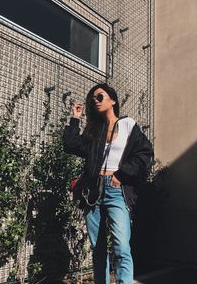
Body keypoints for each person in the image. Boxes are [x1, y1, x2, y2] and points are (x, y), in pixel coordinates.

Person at [63, 83, 153, 284]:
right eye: (92, 99)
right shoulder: (94, 132)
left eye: (99, 96)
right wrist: (75, 119)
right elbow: (70, 145)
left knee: (121, 246)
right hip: (93, 191)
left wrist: (121, 174)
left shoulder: (128, 124)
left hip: (116, 189)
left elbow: (145, 154)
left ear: (112, 100)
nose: (95, 100)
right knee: (98, 248)